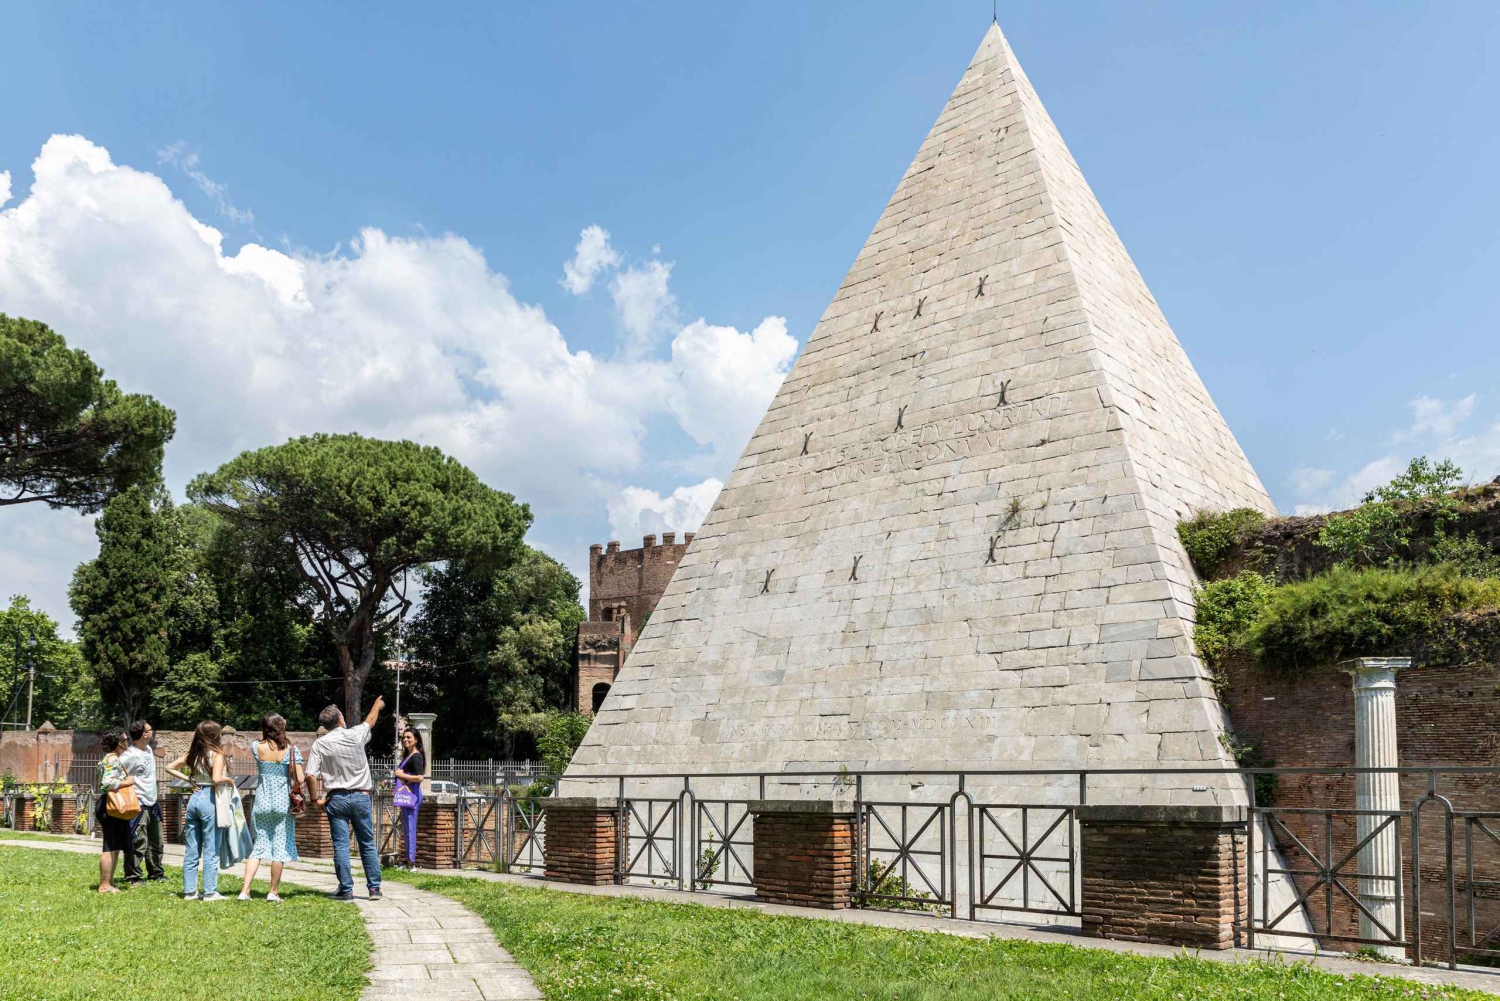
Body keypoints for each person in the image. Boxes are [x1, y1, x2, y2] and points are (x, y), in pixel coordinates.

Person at [306, 696, 385, 901]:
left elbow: (310, 775)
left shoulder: (320, 744)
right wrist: (377, 705)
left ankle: (346, 889)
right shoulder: (355, 734)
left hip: (336, 798)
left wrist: (315, 800)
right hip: (361, 795)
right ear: (341, 719)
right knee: (367, 842)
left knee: (341, 845)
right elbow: (370, 720)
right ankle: (374, 889)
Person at [165, 721, 233, 901]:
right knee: (211, 847)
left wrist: (189, 780)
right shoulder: (217, 754)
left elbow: (169, 767)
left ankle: (190, 891)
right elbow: (216, 778)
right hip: (210, 799)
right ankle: (210, 892)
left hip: (194, 798)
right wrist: (228, 780)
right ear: (215, 735)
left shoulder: (193, 754)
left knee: (192, 848)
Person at [239, 713, 304, 901]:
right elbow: (300, 778)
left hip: (262, 801)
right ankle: (273, 892)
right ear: (280, 726)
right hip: (282, 803)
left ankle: (245, 890)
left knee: (258, 847)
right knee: (280, 848)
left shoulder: (256, 747)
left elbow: (264, 749)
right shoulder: (291, 750)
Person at [119, 720, 165, 883]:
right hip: (138, 803)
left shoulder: (148, 749)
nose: (153, 732)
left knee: (156, 841)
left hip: (152, 802)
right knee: (138, 841)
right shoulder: (128, 756)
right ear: (144, 734)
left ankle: (156, 873)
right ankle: (133, 876)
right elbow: (114, 775)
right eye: (150, 730)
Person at [94, 731, 136, 894]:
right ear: (119, 743)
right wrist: (127, 782)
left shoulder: (107, 758)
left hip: (110, 805)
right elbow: (106, 784)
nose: (128, 742)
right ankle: (104, 885)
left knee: (115, 845)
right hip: (111, 806)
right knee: (110, 845)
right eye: (126, 739)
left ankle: (109, 882)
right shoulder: (112, 759)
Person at [392, 727, 425, 870]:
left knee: (410, 828)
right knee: (406, 829)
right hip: (407, 796)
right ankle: (407, 861)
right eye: (404, 737)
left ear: (416, 739)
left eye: (409, 737)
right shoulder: (408, 756)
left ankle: (411, 864)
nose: (405, 740)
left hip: (412, 796)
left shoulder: (416, 756)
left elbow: (420, 777)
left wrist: (401, 775)